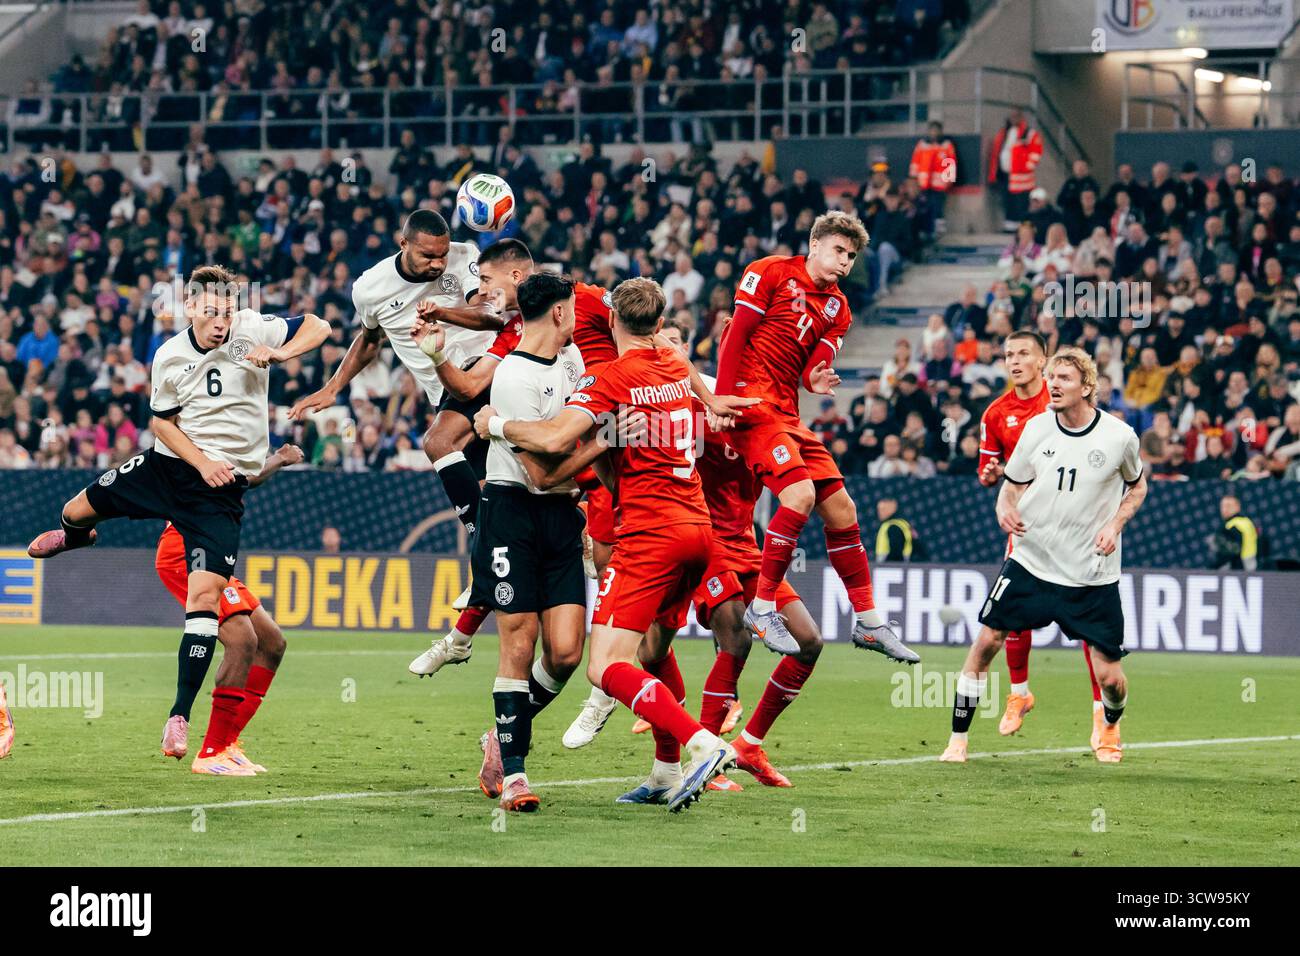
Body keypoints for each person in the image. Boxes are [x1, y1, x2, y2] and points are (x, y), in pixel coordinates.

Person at [27, 265, 328, 776]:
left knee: (230, 619)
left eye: (227, 311)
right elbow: (161, 423)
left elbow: (318, 326)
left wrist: (281, 354)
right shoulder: (168, 356)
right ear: (188, 309)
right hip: (173, 468)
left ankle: (183, 720)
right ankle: (80, 538)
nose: (221, 322)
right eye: (211, 312)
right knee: (72, 510)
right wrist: (202, 461)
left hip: (217, 495)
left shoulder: (253, 329)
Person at [474, 278, 737, 812]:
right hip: (697, 529)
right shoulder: (672, 366)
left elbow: (549, 441)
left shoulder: (609, 378)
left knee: (605, 666)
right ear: (661, 326)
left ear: (611, 320)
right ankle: (664, 774)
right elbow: (678, 363)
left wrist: (494, 424)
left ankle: (702, 744)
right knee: (654, 652)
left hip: (649, 537)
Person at [714, 211, 918, 663]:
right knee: (799, 495)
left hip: (787, 411)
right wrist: (723, 399)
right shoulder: (768, 272)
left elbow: (812, 369)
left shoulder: (839, 309)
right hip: (751, 404)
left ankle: (867, 622)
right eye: (839, 251)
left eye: (851, 256)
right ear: (816, 244)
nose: (845, 262)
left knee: (843, 509)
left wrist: (818, 379)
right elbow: (735, 335)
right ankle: (763, 609)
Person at [942, 347, 1147, 765]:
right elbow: (1012, 485)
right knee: (985, 642)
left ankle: (1109, 722)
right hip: (1032, 561)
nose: (1053, 384)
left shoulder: (1119, 436)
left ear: (1087, 387)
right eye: (1051, 377)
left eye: (1065, 379)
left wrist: (1114, 525)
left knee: (1110, 677)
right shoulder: (1036, 429)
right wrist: (1005, 507)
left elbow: (1138, 487)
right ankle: (957, 741)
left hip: (1090, 573)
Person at [437, 273, 591, 811]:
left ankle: (499, 736)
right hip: (513, 513)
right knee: (519, 644)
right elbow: (542, 472)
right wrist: (602, 442)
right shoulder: (512, 378)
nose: (577, 317)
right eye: (573, 309)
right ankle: (517, 773)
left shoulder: (572, 364)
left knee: (568, 653)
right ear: (557, 313)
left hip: (561, 518)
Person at [288, 209, 502, 590]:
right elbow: (369, 341)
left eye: (442, 254)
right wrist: (333, 387)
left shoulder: (464, 254)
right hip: (446, 393)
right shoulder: (371, 288)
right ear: (403, 244)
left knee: (438, 442)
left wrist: (443, 311)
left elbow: (489, 314)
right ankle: (502, 558)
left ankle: (485, 550)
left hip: (488, 372)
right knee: (490, 491)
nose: (438, 263)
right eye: (428, 256)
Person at [977, 330, 1106, 741]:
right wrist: (993, 475)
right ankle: (1019, 694)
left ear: (1044, 360)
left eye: (1023, 354)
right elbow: (988, 470)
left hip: (1074, 528)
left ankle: (1101, 716)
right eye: (1008, 354)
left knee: (1088, 625)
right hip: (1028, 527)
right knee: (1015, 613)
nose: (1014, 361)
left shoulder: (1062, 402)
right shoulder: (995, 414)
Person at [156, 443, 302, 770]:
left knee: (272, 642)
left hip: (210, 548)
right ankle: (211, 752)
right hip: (185, 550)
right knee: (243, 640)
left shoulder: (227, 435)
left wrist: (277, 460)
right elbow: (242, 477)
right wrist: (279, 459)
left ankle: (226, 743)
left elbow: (243, 477)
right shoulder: (201, 439)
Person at [1212, 494, 1262, 571]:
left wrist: (1213, 568)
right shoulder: (1247, 522)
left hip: (1238, 569)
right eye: (1222, 506)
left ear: (1237, 507)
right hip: (1252, 566)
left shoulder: (1232, 526)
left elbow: (1231, 552)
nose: (1225, 509)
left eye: (1228, 506)